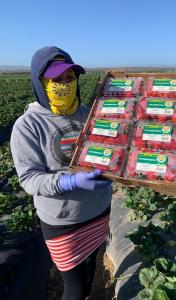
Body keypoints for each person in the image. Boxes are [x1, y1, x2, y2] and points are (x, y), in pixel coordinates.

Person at [10, 46, 112, 300]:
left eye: (70, 78)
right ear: (40, 81)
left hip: (99, 211)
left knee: (90, 267)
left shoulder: (88, 114)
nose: (65, 84)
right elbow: (29, 179)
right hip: (64, 221)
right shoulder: (28, 125)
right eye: (56, 79)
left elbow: (108, 150)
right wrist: (69, 182)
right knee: (74, 288)